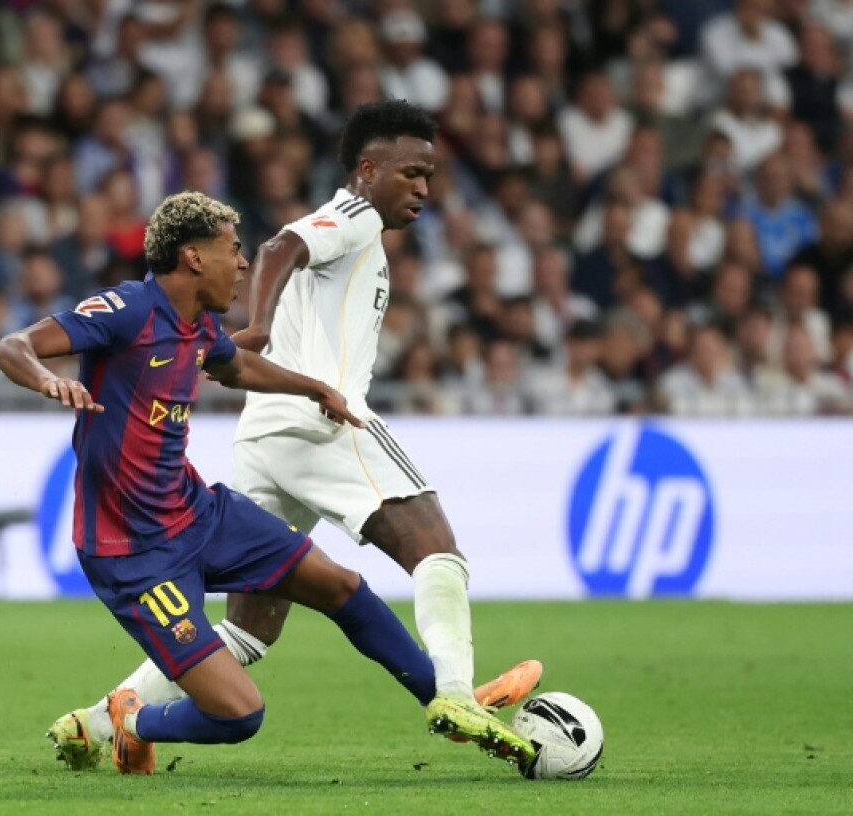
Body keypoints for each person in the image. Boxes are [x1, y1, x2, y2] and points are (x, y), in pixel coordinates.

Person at [49, 100, 540, 772]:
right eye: (411, 172)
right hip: (322, 425)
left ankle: (102, 721)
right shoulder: (354, 215)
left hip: (267, 432)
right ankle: (455, 693)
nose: (424, 188)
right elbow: (282, 246)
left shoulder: (363, 238)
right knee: (437, 549)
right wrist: (258, 324)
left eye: (430, 175)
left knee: (251, 628)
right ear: (368, 170)